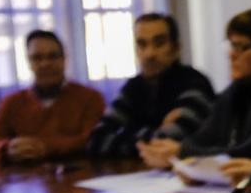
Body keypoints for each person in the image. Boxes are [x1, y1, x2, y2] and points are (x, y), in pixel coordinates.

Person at [137, 7, 251, 173]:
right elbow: (203, 138)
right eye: (231, 45)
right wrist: (184, 156)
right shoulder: (235, 89)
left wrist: (182, 153)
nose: (231, 54)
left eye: (242, 47)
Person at [89, 13, 215, 157]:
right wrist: (156, 130)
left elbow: (168, 140)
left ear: (176, 48)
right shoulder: (132, 88)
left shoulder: (195, 83)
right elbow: (96, 141)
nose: (149, 54)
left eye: (159, 43)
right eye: (142, 44)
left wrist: (127, 133)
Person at [0, 30, 105, 163]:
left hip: (78, 175)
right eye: (37, 58)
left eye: (52, 56)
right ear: (29, 63)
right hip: (25, 179)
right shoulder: (11, 102)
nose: (45, 64)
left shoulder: (90, 98)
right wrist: (7, 148)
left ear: (64, 59)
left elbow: (93, 139)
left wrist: (44, 147)